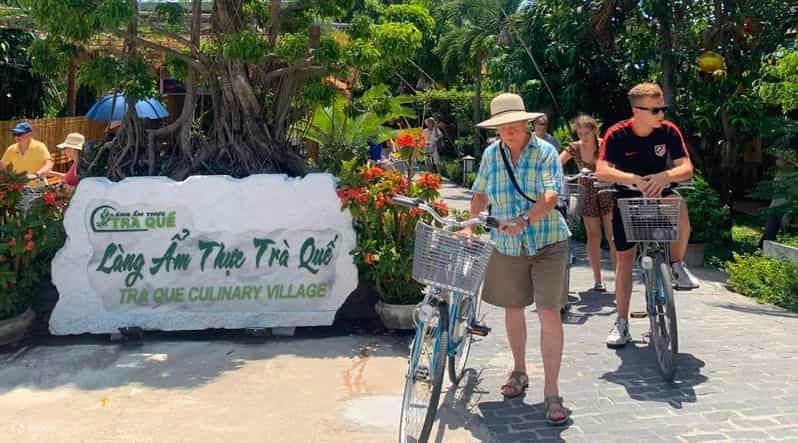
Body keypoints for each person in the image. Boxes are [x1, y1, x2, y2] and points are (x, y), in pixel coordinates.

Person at [462, 93, 571, 425]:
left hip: (547, 240)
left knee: (549, 314)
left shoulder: (546, 152)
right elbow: (480, 192)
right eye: (501, 126)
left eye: (513, 124)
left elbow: (552, 195)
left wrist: (524, 220)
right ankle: (519, 371)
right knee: (513, 308)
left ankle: (552, 392)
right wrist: (469, 225)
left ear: (525, 122)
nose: (507, 131)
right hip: (506, 245)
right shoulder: (491, 155)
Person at [596, 82, 700, 348]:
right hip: (627, 198)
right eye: (655, 110)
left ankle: (676, 265)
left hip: (660, 195)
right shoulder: (617, 134)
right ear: (636, 110)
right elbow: (602, 170)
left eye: (662, 108)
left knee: (679, 206)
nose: (661, 114)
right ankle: (621, 322)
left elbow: (686, 168)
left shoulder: (668, 132)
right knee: (624, 261)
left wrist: (664, 176)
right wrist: (632, 179)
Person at [559, 115, 616, 291]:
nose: (583, 137)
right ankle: (597, 279)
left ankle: (619, 276)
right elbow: (555, 162)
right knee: (593, 236)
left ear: (594, 131)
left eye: (587, 133)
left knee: (613, 236)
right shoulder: (574, 147)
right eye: (580, 133)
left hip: (605, 189)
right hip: (586, 191)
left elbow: (615, 164)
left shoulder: (604, 144)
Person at [0, 122, 53, 187]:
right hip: (18, 188)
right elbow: (2, 165)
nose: (17, 136)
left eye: (20, 134)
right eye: (15, 134)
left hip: (38, 187)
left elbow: (49, 164)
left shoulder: (39, 147)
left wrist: (36, 175)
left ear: (29, 134)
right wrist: (7, 179)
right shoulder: (11, 149)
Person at [759, 155, 794, 247]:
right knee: (769, 234)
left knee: (787, 236)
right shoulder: (779, 172)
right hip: (774, 207)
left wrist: (788, 211)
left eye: (779, 158)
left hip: (784, 208)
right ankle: (762, 251)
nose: (776, 160)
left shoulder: (791, 174)